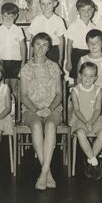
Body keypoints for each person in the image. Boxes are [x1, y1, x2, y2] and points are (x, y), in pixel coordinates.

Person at [19, 33, 63, 190]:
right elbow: (23, 96)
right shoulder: (26, 68)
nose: (40, 48)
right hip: (31, 109)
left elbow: (59, 94)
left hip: (52, 108)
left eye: (44, 45)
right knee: (37, 126)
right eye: (38, 44)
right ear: (32, 45)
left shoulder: (54, 66)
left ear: (49, 48)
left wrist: (50, 109)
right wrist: (36, 110)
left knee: (50, 126)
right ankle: (48, 172)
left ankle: (43, 172)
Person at [71, 62, 102, 180]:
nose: (88, 78)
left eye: (91, 76)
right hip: (80, 119)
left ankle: (89, 159)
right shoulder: (75, 90)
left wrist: (92, 121)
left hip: (95, 118)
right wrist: (85, 122)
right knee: (80, 133)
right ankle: (94, 162)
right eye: (85, 75)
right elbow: (77, 110)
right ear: (80, 75)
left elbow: (98, 109)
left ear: (96, 77)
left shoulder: (98, 90)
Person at [78, 29, 102, 124]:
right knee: (88, 123)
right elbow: (79, 80)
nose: (93, 45)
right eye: (90, 42)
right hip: (87, 98)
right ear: (86, 44)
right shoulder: (83, 59)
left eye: (97, 42)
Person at [0, 2, 26, 97]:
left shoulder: (18, 30)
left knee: (14, 88)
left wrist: (23, 62)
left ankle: (15, 110)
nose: (8, 19)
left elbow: (23, 47)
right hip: (2, 62)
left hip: (16, 62)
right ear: (1, 16)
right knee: (4, 87)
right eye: (5, 16)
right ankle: (6, 108)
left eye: (11, 16)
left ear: (16, 16)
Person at [28, 0, 66, 67]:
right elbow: (32, 40)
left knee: (53, 74)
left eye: (49, 3)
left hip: (54, 51)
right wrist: (29, 57)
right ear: (40, 5)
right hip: (39, 50)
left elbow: (61, 41)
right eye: (43, 4)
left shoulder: (59, 20)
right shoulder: (36, 20)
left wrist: (61, 59)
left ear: (55, 4)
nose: (46, 6)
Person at [65, 0, 97, 80]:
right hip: (77, 55)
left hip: (90, 54)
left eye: (88, 9)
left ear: (93, 10)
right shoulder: (74, 25)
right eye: (83, 10)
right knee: (78, 78)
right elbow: (69, 44)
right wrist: (68, 61)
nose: (86, 12)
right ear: (77, 11)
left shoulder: (94, 27)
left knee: (89, 78)